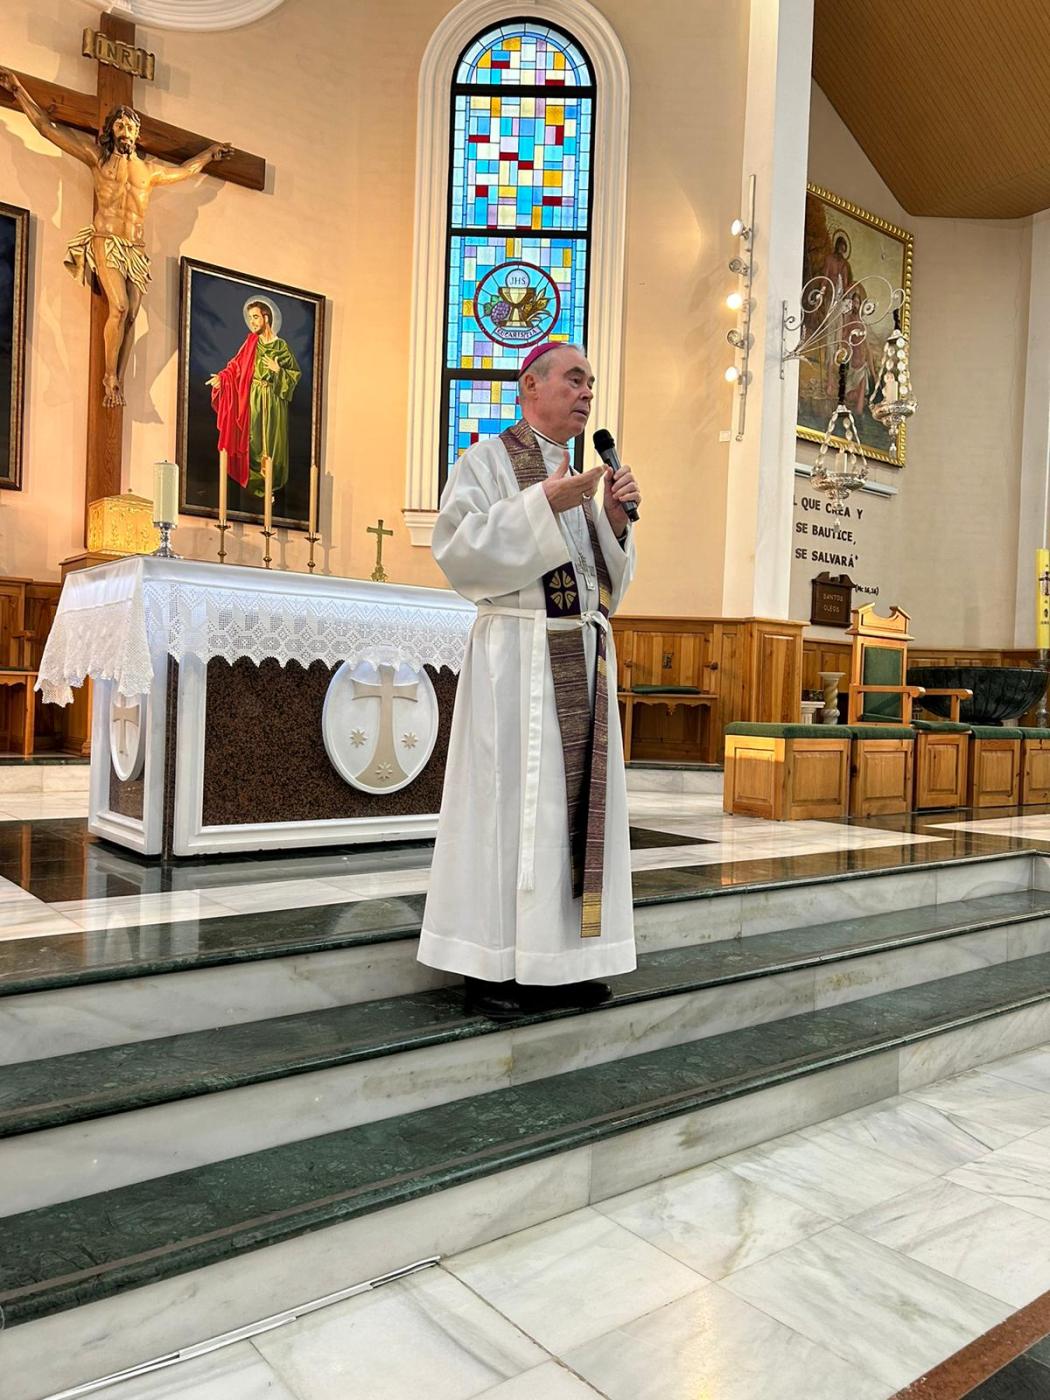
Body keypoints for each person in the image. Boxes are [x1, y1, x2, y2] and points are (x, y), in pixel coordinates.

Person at [418, 342, 641, 1020]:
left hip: (579, 656)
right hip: (515, 662)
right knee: (507, 813)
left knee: (567, 820)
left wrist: (614, 523)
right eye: (574, 379)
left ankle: (558, 963)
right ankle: (491, 968)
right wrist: (544, 501)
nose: (586, 393)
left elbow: (602, 588)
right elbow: (459, 554)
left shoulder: (579, 475)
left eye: (591, 384)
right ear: (530, 386)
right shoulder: (485, 463)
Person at [0, 70, 232, 407]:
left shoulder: (148, 171)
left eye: (131, 127)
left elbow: (184, 171)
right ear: (111, 130)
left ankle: (119, 379)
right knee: (120, 307)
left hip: (135, 249)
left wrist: (208, 155)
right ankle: (109, 375)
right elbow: (48, 129)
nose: (125, 131)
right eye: (120, 126)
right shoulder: (100, 159)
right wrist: (19, 91)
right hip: (106, 240)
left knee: (134, 314)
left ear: (138, 134)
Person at [207, 300, 302, 497]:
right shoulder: (251, 343)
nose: (252, 322)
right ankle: (256, 482)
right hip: (252, 401)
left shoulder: (281, 347)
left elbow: (294, 376)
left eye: (256, 317)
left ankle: (271, 485)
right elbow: (236, 367)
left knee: (273, 442)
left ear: (266, 318)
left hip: (274, 402)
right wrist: (222, 378)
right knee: (253, 441)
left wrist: (278, 371)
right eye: (250, 318)